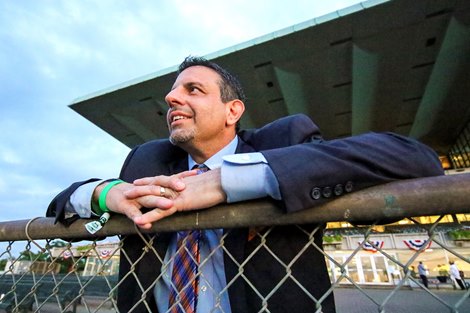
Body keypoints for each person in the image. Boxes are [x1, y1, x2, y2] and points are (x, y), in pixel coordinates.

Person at [47, 56, 444, 313]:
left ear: (232, 111)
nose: (171, 98)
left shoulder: (287, 140)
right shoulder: (147, 160)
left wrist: (227, 182)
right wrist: (106, 193)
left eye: (193, 90)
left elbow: (417, 159)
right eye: (173, 92)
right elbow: (60, 206)